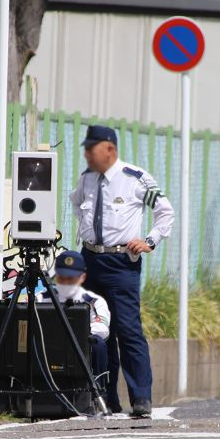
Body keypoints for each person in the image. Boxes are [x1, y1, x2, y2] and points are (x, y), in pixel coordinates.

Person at [69, 125, 174, 417]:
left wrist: (150, 241)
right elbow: (76, 203)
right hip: (90, 260)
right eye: (86, 149)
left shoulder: (135, 178)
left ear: (110, 150)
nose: (87, 154)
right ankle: (105, 398)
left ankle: (141, 398)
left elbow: (165, 210)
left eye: (93, 148)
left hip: (120, 264)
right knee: (97, 330)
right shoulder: (87, 178)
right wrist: (86, 233)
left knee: (127, 330)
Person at [36, 250, 110, 389]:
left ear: (82, 277)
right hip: (47, 345)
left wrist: (74, 333)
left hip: (80, 345)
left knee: (98, 345)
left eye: (71, 279)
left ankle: (99, 391)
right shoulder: (41, 298)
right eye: (62, 278)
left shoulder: (94, 301)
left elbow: (103, 329)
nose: (65, 282)